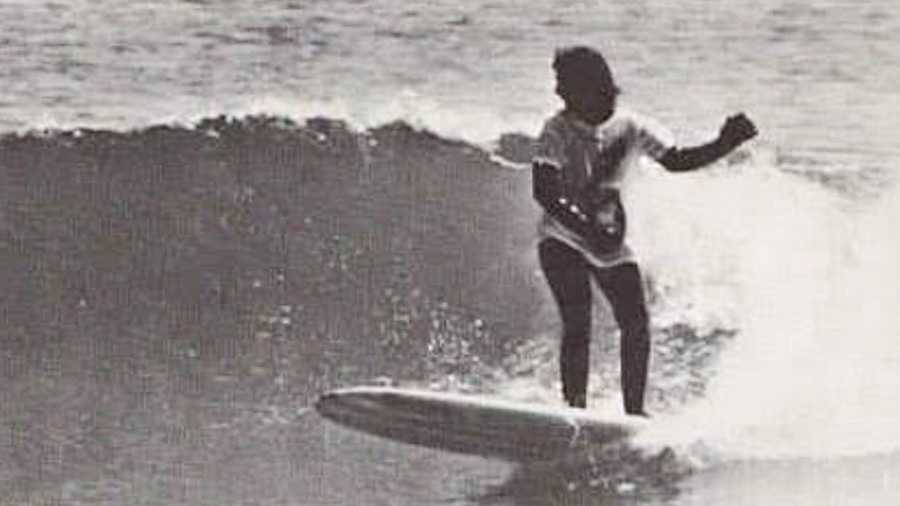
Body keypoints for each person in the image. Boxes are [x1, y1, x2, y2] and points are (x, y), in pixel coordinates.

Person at [532, 46, 757, 415]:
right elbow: (544, 191)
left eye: (564, 84)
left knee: (636, 323)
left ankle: (633, 413)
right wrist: (584, 227)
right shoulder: (557, 130)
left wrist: (725, 143)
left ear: (592, 86)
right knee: (578, 320)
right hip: (561, 235)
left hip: (609, 239)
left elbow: (677, 160)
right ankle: (575, 411)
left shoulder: (631, 127)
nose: (557, 92)